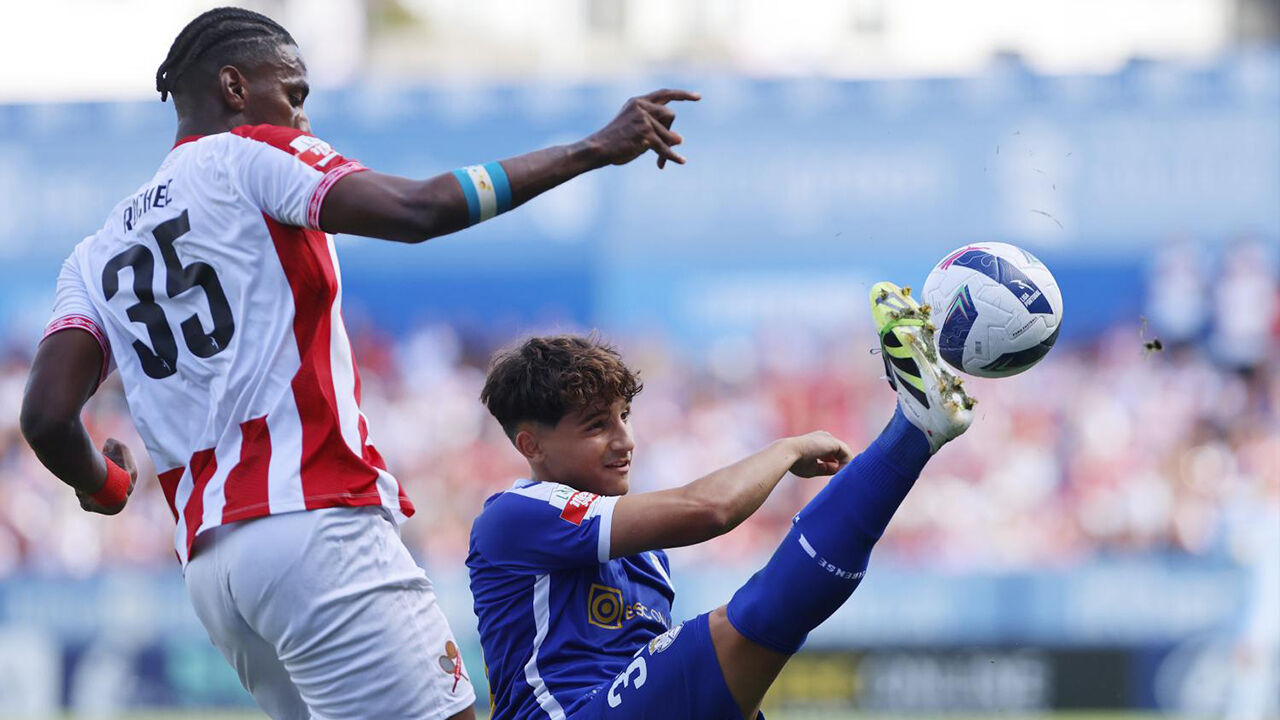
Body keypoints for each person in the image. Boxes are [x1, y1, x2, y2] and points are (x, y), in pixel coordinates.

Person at [18, 6, 696, 720]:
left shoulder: (93, 254)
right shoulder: (251, 153)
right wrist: (593, 148)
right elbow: (420, 210)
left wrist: (104, 483)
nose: (303, 118)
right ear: (235, 87)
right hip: (314, 527)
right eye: (294, 93)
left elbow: (46, 417)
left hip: (212, 572)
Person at [468, 283, 976, 720]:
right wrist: (788, 448)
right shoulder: (513, 517)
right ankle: (913, 432)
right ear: (531, 445)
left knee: (738, 649)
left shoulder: (644, 552)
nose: (625, 440)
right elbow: (709, 509)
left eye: (624, 416)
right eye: (597, 426)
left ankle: (914, 432)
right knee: (738, 628)